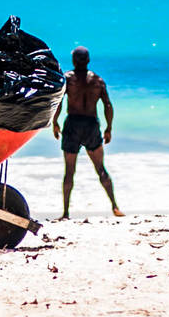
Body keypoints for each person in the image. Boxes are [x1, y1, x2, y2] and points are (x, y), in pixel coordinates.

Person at [49, 47, 122, 218]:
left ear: (74, 61)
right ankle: (115, 207)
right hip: (91, 125)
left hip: (73, 124)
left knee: (69, 171)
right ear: (88, 60)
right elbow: (108, 105)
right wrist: (109, 128)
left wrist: (54, 122)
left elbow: (58, 101)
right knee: (100, 169)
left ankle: (66, 212)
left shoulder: (67, 79)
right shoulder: (97, 80)